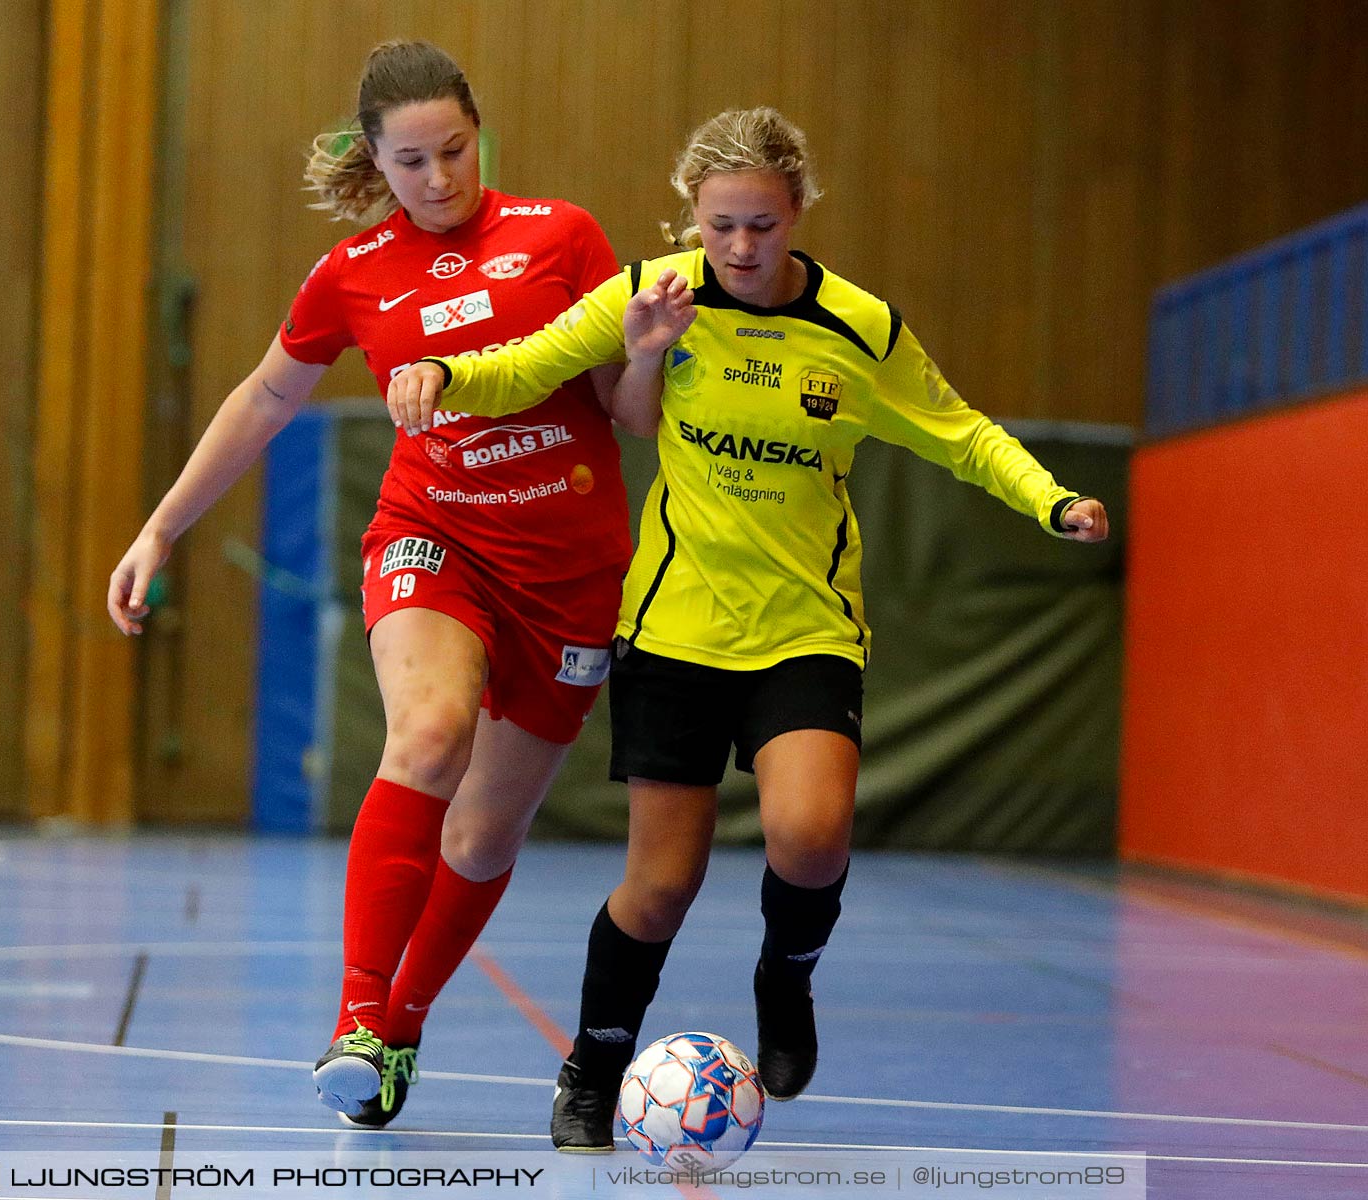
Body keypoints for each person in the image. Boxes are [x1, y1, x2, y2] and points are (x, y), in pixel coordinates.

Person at [388, 106, 1110, 1151]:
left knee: (810, 841)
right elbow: (533, 360)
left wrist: (1050, 499)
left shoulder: (858, 329)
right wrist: (447, 375)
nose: (738, 248)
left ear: (798, 212)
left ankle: (787, 979)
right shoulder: (653, 297)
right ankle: (591, 1069)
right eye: (720, 225)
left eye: (761, 227)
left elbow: (961, 433)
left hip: (805, 631)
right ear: (692, 215)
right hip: (676, 633)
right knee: (660, 886)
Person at [107, 40, 635, 1128]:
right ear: (374, 161)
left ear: (478, 131)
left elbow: (629, 410)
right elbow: (263, 399)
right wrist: (162, 530)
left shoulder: (562, 236)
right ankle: (355, 1013)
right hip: (433, 537)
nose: (439, 178)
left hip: (570, 576)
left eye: (454, 150)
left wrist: (655, 346)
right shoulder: (352, 274)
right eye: (411, 161)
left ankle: (399, 1028)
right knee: (430, 733)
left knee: (485, 839)